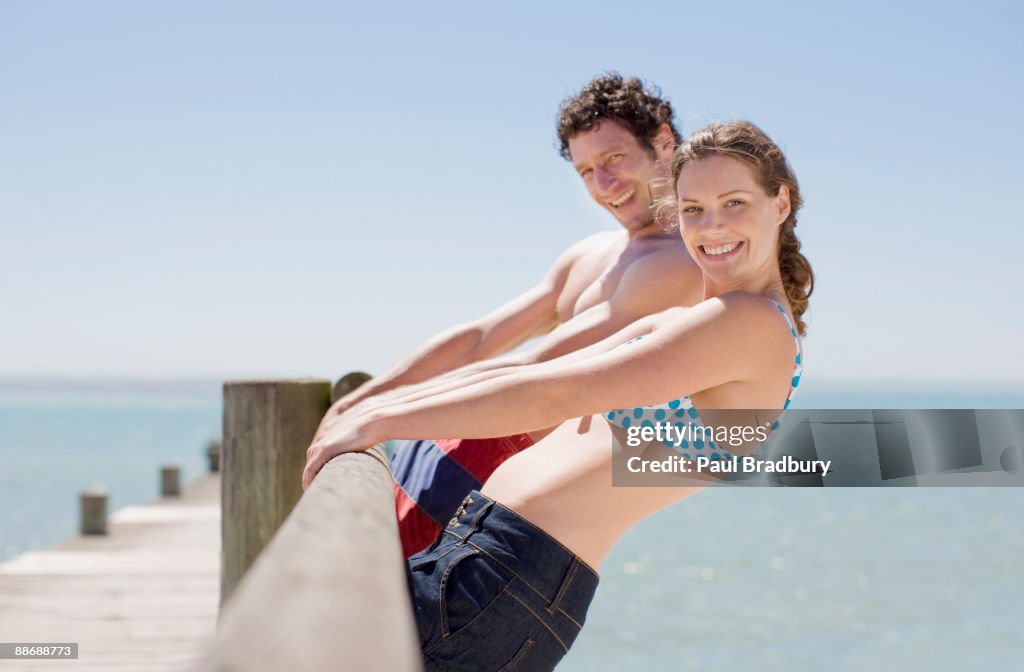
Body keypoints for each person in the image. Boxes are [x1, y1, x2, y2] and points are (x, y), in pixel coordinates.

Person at [305, 120, 813, 671]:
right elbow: (536, 369)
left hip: (506, 577)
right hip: (493, 561)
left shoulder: (747, 323)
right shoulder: (695, 318)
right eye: (692, 208)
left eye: (734, 202)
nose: (711, 226)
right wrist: (376, 406)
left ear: (780, 203)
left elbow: (556, 394)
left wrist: (381, 422)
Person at [319, 73, 704, 557]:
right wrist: (370, 398)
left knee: (362, 609)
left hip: (495, 473)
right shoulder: (592, 252)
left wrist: (379, 414)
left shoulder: (680, 262)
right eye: (587, 171)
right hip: (440, 436)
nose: (604, 185)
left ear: (663, 142)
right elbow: (480, 338)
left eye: (614, 158)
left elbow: (541, 366)